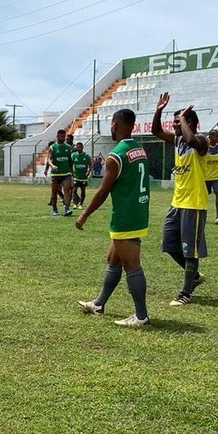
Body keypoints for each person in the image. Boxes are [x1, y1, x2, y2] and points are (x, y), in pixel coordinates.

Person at [76, 109, 150, 327]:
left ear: (115, 125)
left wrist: (84, 215)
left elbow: (102, 192)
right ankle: (99, 304)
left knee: (132, 265)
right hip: (138, 211)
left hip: (126, 216)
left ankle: (141, 316)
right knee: (113, 259)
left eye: (112, 124)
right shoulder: (140, 150)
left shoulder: (116, 156)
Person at [151, 92, 208, 307]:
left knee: (189, 250)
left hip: (194, 204)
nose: (174, 125)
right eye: (175, 122)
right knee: (169, 244)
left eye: (179, 121)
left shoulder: (201, 141)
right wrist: (159, 109)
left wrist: (183, 119)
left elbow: (192, 140)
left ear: (191, 122)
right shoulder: (177, 141)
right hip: (177, 203)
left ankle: (185, 293)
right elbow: (156, 131)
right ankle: (194, 276)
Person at [47, 129, 73, 217]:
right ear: (57, 136)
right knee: (54, 192)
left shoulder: (68, 147)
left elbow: (70, 160)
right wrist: (52, 166)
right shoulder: (52, 147)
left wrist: (72, 172)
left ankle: (67, 209)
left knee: (67, 190)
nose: (63, 138)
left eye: (64, 136)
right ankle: (55, 209)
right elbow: (48, 160)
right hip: (56, 174)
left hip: (66, 174)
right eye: (61, 136)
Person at [204, 129, 218, 225]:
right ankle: (202, 215)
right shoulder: (204, 147)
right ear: (210, 136)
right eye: (216, 136)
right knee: (203, 197)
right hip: (205, 177)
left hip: (217, 176)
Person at [71, 142, 91, 209]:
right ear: (76, 148)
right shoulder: (73, 155)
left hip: (83, 177)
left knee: (83, 191)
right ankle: (75, 203)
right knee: (74, 190)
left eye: (80, 147)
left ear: (82, 147)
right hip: (76, 177)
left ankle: (81, 204)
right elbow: (71, 164)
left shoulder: (86, 156)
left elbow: (90, 165)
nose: (79, 148)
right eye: (77, 147)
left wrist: (88, 172)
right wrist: (72, 173)